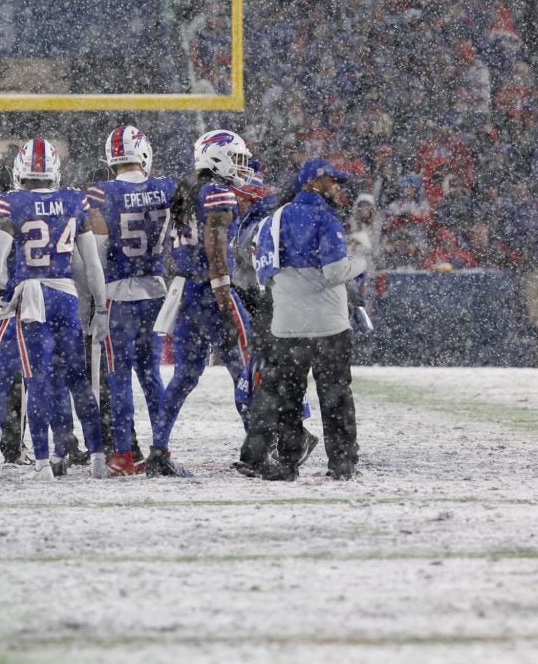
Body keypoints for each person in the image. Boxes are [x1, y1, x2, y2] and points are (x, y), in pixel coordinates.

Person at [0, 138, 109, 480]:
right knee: (78, 379)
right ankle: (96, 456)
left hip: (32, 297)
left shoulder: (11, 202)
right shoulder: (73, 200)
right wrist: (101, 307)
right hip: (66, 295)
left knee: (37, 381)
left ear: (21, 170)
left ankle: (42, 463)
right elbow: (91, 264)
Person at [244, 159, 364, 480]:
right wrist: (360, 263)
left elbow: (261, 270)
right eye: (334, 182)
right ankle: (341, 462)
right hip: (328, 324)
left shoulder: (274, 219)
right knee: (335, 394)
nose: (338, 188)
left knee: (288, 396)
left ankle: (286, 461)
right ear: (316, 182)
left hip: (287, 325)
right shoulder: (326, 219)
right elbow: (335, 271)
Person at [147, 130, 254, 477]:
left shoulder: (186, 189)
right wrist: (222, 285)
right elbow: (215, 242)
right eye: (236, 158)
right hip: (210, 289)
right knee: (245, 368)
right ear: (217, 157)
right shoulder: (218, 192)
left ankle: (159, 449)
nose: (241, 166)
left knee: (184, 376)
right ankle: (257, 447)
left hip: (185, 290)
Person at [86, 125, 175, 476]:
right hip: (155, 290)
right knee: (151, 375)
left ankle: (122, 453)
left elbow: (98, 252)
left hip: (118, 294)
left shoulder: (101, 193)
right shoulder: (166, 189)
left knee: (118, 376)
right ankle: (161, 446)